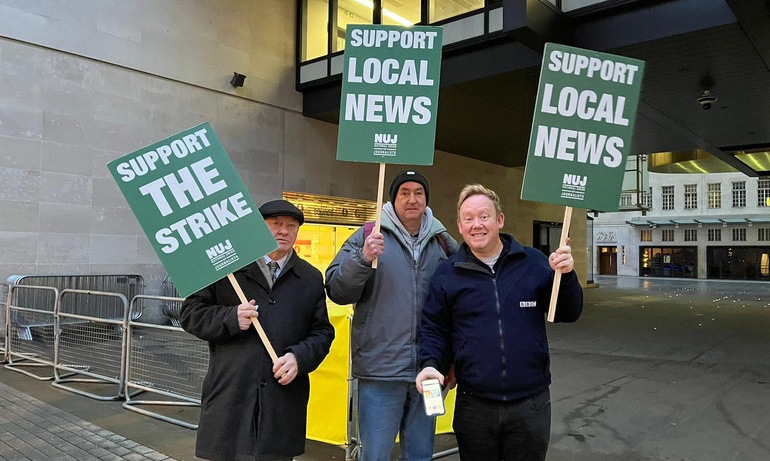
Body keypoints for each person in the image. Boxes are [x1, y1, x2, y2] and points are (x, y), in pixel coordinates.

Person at [416, 184, 583, 461]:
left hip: (531, 404)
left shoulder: (533, 262)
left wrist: (565, 276)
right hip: (475, 405)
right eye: (468, 219)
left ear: (500, 220)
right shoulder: (448, 273)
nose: (476, 225)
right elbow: (434, 328)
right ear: (459, 225)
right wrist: (430, 365)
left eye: (484, 216)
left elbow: (569, 311)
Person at [180, 199, 334, 461]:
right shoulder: (226, 268)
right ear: (259, 229)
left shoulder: (310, 277)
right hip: (232, 396)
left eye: (291, 225)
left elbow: (322, 333)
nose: (283, 231)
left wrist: (299, 358)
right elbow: (190, 313)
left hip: (281, 404)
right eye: (275, 224)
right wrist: (230, 317)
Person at [325, 170, 458, 461]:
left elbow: (461, 306)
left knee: (420, 454)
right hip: (380, 371)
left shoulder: (444, 243)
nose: (412, 199)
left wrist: (454, 359)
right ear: (393, 199)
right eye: (404, 193)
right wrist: (362, 258)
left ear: (426, 199)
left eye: (418, 193)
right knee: (375, 455)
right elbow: (336, 289)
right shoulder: (367, 236)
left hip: (430, 370)